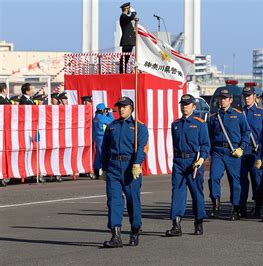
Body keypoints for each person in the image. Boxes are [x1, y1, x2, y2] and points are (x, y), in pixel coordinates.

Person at [101, 96, 149, 248]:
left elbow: (142, 147)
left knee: (133, 201)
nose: (121, 109)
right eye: (119, 106)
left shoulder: (139, 127)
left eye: (124, 106)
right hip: (114, 166)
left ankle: (135, 230)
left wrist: (137, 163)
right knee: (114, 200)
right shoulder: (112, 126)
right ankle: (116, 235)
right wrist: (103, 167)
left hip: (130, 167)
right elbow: (105, 149)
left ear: (131, 109)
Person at [165, 94, 210, 237]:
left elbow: (205, 145)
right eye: (182, 104)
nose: (184, 106)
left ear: (194, 107)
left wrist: (202, 159)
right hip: (179, 162)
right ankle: (176, 224)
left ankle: (198, 221)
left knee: (196, 193)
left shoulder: (200, 123)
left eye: (187, 104)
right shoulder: (175, 124)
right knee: (177, 192)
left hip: (194, 162)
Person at [208, 89, 250, 220]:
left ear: (230, 100)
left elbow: (246, 132)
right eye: (221, 98)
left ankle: (236, 208)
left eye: (225, 98)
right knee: (214, 177)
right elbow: (209, 135)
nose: (222, 100)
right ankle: (215, 203)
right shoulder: (214, 117)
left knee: (235, 181)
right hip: (218, 152)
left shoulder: (238, 115)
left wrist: (242, 148)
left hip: (233, 152)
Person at [239, 85, 263, 217]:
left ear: (254, 97)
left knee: (257, 180)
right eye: (245, 96)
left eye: (249, 96)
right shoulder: (239, 113)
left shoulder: (262, 114)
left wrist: (262, 153)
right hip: (241, 151)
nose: (247, 98)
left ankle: (258, 207)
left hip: (256, 151)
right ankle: (242, 207)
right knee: (241, 180)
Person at [92, 103, 115, 179]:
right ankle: (105, 171)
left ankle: (96, 172)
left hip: (97, 139)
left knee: (98, 155)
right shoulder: (102, 117)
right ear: (102, 110)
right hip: (103, 138)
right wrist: (110, 113)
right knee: (104, 155)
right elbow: (112, 122)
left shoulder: (96, 117)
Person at [119, 2, 138, 74]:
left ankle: (124, 71)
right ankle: (122, 72)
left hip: (129, 41)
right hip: (127, 41)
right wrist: (134, 12)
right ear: (127, 9)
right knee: (124, 58)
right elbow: (131, 17)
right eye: (129, 8)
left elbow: (131, 19)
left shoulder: (125, 17)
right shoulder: (123, 16)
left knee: (126, 58)